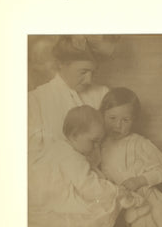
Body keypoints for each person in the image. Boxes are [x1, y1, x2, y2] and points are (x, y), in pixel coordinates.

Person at [29, 106, 125, 227]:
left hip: (39, 197)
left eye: (99, 142)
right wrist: (114, 191)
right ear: (74, 135)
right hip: (53, 200)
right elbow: (88, 186)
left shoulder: (58, 146)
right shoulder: (72, 157)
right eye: (93, 141)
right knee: (93, 222)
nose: (96, 147)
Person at [100, 87, 162, 227]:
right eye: (112, 118)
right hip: (119, 201)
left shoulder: (139, 143)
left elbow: (161, 169)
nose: (118, 125)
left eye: (125, 120)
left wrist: (139, 180)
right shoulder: (100, 144)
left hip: (144, 199)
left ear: (134, 120)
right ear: (102, 115)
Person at [28, 35, 109, 163]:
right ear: (61, 65)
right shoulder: (35, 100)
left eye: (93, 73)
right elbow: (33, 155)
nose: (89, 80)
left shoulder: (102, 93)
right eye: (83, 72)